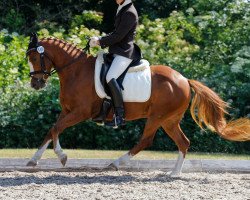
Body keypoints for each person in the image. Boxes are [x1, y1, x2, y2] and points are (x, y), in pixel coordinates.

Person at [90, 0, 141, 127]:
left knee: (110, 77)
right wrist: (100, 39)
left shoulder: (129, 12)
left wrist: (99, 42)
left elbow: (118, 36)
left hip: (125, 53)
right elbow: (115, 33)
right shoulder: (122, 8)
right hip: (117, 51)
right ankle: (105, 108)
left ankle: (119, 116)